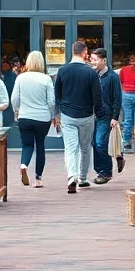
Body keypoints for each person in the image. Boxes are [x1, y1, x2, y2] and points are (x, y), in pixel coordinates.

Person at [54, 40, 103, 193]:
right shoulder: (91, 73)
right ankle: (82, 178)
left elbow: (57, 94)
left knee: (70, 148)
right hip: (87, 115)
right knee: (85, 148)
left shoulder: (62, 71)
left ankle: (71, 176)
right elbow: (97, 95)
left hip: (68, 114)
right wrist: (98, 112)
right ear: (84, 53)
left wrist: (57, 113)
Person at [11, 51, 56, 187]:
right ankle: (38, 178)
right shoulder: (46, 79)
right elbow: (51, 101)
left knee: (27, 145)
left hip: (25, 116)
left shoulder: (20, 78)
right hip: (42, 118)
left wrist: (16, 111)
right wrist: (53, 115)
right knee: (40, 146)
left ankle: (24, 165)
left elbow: (14, 99)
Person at [91, 48, 123, 184]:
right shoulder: (93, 75)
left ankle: (106, 172)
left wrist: (115, 117)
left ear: (104, 60)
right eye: (91, 59)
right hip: (94, 114)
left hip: (106, 114)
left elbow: (117, 98)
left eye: (95, 59)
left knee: (100, 142)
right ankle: (100, 169)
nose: (92, 62)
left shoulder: (112, 77)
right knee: (95, 143)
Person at [118, 52, 135, 153]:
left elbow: (121, 81)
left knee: (128, 120)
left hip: (126, 94)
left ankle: (126, 142)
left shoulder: (123, 70)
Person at [0, 57, 18, 126]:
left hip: (10, 105)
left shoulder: (13, 76)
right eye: (3, 63)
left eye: (5, 63)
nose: (4, 65)